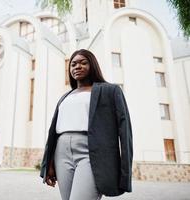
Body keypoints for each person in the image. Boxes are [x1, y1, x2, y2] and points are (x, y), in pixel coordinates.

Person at [40, 49, 133, 200]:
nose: (77, 67)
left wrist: (125, 172)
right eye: (73, 64)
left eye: (83, 63)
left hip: (91, 152)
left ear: (93, 66)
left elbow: (125, 130)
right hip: (61, 153)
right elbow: (54, 132)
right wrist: (49, 162)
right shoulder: (65, 96)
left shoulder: (110, 90)